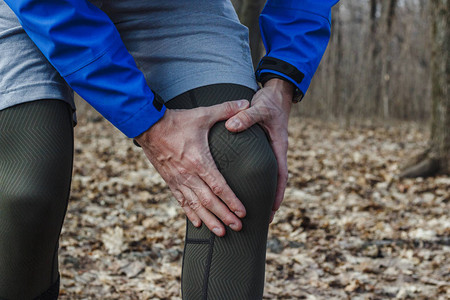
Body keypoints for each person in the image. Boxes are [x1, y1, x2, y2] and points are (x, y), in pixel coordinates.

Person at [0, 0, 339, 299]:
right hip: (35, 6)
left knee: (242, 163)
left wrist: (283, 79)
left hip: (175, 6)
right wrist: (147, 121)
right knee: (26, 191)